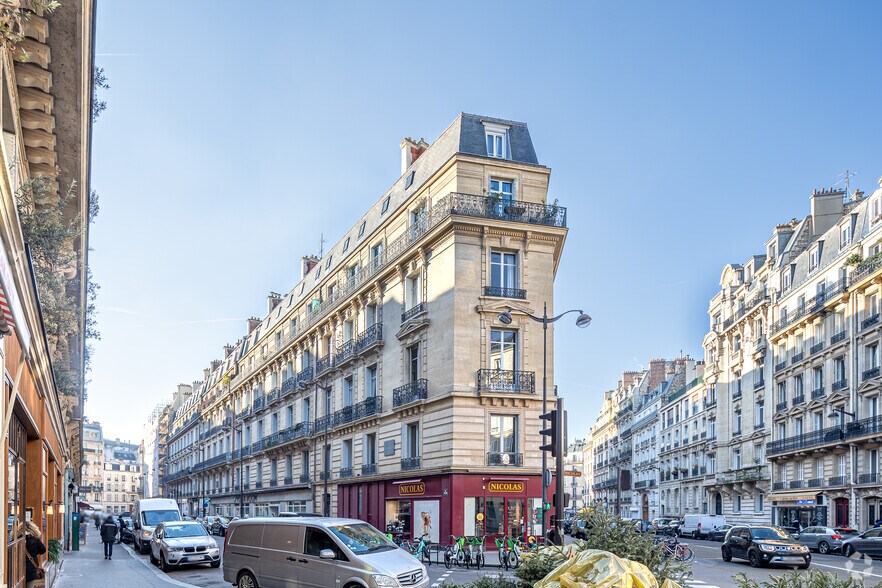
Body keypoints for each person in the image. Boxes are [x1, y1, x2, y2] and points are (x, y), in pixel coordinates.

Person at [23, 521, 45, 588]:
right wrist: (34, 552)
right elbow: (42, 550)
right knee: (30, 585)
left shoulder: (17, 538)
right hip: (31, 568)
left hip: (19, 568)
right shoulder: (35, 539)